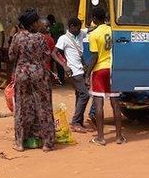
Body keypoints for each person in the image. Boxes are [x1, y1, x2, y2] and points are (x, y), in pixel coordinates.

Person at [8, 9, 55, 152]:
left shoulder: (17, 37)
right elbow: (47, 55)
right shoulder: (41, 37)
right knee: (43, 106)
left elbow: (11, 56)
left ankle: (20, 143)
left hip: (22, 74)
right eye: (37, 21)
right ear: (33, 23)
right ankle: (47, 143)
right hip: (39, 73)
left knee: (22, 107)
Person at [87, 4, 124, 145]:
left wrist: (87, 73)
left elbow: (94, 57)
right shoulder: (113, 31)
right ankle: (119, 137)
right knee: (115, 103)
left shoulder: (94, 34)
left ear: (95, 19)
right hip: (112, 68)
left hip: (99, 70)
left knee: (99, 104)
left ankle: (101, 138)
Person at [53, 17, 90, 132]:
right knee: (85, 95)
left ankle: (79, 121)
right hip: (73, 71)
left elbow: (89, 30)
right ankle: (75, 122)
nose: (79, 30)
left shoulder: (81, 33)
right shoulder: (63, 38)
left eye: (80, 28)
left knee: (79, 95)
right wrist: (64, 66)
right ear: (71, 27)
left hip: (81, 70)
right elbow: (54, 53)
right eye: (77, 28)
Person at [46, 14, 67, 85]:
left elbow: (61, 33)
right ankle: (59, 79)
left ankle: (59, 79)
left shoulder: (53, 26)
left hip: (56, 46)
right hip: (57, 46)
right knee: (57, 63)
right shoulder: (57, 25)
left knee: (55, 63)